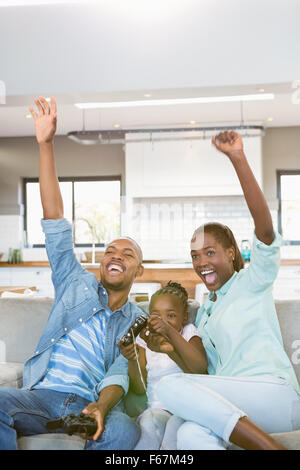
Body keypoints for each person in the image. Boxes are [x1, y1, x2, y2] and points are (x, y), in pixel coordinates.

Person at [0, 96, 144, 450]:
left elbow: (122, 376)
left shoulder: (138, 319)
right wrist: (46, 143)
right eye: (110, 249)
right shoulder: (74, 282)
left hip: (90, 404)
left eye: (127, 254)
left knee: (125, 431)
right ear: (100, 261)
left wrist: (101, 406)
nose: (116, 255)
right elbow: (55, 222)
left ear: (138, 270)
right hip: (41, 398)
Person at [149, 131, 300, 450]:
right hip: (232, 402)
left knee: (172, 388)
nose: (201, 262)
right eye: (194, 256)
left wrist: (238, 159)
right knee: (185, 429)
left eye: (210, 252)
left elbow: (265, 228)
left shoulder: (253, 282)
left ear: (231, 252)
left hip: (273, 394)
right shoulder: (205, 311)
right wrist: (167, 344)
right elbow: (200, 371)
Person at [119, 281, 207, 449]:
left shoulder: (189, 332)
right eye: (156, 316)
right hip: (158, 408)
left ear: (185, 317)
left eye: (171, 316)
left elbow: (200, 368)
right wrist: (132, 358)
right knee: (150, 425)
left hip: (187, 408)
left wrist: (169, 332)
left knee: (176, 430)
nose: (163, 322)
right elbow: (138, 388)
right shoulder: (144, 341)